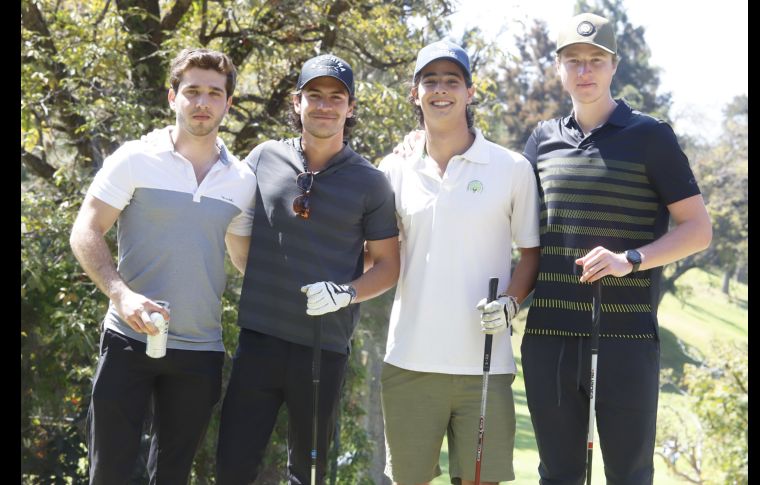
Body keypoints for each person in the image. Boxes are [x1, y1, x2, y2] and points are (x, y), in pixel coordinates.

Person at [520, 13, 712, 485]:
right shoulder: (541, 142)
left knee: (629, 476)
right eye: (573, 61)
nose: (584, 71)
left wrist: (631, 259)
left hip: (625, 340)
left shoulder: (651, 137)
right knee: (558, 477)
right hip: (549, 340)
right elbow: (514, 228)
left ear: (614, 66)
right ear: (559, 68)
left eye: (596, 61)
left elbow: (698, 229)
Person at [69, 48, 256, 484]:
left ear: (228, 104)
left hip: (200, 349)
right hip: (127, 340)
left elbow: (244, 257)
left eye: (214, 93)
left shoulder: (242, 181)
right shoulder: (135, 158)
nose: (203, 102)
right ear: (172, 96)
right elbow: (85, 231)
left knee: (172, 476)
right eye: (192, 91)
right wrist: (121, 294)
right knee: (109, 472)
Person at [215, 54, 400, 484]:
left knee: (309, 475)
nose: (324, 105)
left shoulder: (370, 182)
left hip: (323, 349)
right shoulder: (263, 158)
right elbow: (238, 235)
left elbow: (389, 265)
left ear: (350, 108)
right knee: (232, 468)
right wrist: (260, 277)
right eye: (314, 95)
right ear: (297, 101)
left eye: (336, 97)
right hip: (258, 341)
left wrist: (346, 293)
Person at [378, 40, 541, 485]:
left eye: (452, 81)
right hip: (410, 360)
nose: (440, 90)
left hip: (485, 366)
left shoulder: (511, 168)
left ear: (470, 92)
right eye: (429, 81)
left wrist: (510, 302)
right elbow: (377, 256)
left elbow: (530, 252)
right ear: (415, 94)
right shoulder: (392, 171)